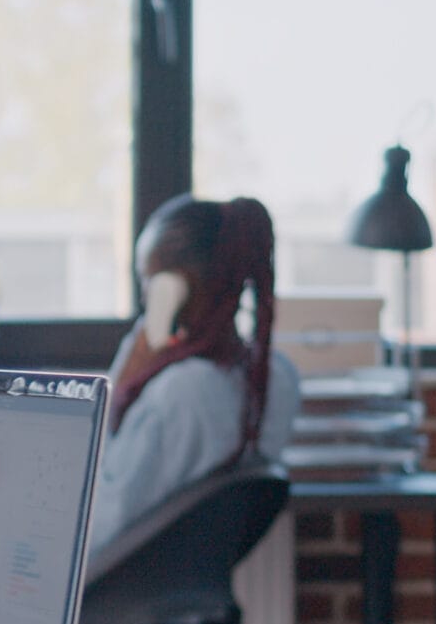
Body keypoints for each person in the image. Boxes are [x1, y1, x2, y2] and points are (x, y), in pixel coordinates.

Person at [86, 194, 301, 576]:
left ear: (172, 290)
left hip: (125, 598)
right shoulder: (276, 379)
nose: (143, 298)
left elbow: (99, 523)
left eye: (148, 283)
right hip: (190, 599)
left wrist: (125, 381)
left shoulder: (180, 395)